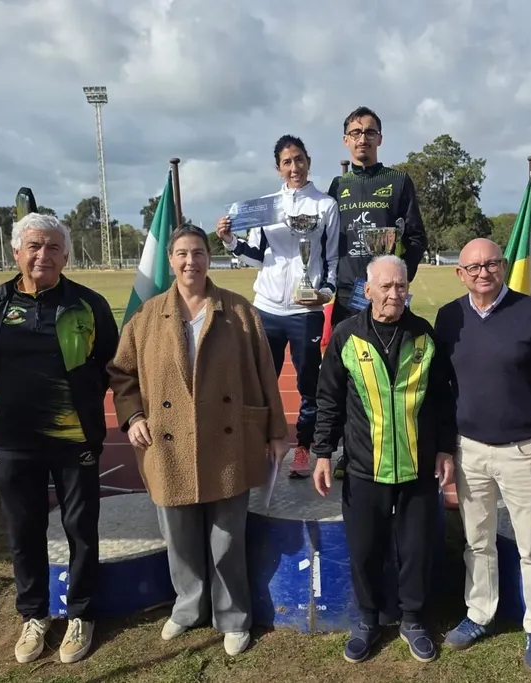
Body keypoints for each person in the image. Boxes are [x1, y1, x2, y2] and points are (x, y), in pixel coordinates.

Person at [107, 223, 288, 656]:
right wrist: (132, 415)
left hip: (228, 440)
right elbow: (121, 373)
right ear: (171, 260)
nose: (191, 261)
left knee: (227, 537)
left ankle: (233, 615)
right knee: (180, 537)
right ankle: (188, 608)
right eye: (183, 254)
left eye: (199, 253)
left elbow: (266, 373)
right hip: (168, 445)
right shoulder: (147, 315)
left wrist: (277, 431)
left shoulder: (240, 311)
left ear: (210, 258)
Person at [0, 212, 118, 665]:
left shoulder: (89, 304)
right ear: (16, 252)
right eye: (34, 246)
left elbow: (107, 365)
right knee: (24, 529)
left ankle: (81, 613)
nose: (43, 255)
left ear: (67, 255)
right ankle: (33, 614)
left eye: (53, 247)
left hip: (76, 438)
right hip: (15, 439)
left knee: (80, 529)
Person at [432, 238, 531, 675]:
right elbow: (440, 392)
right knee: (477, 541)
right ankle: (479, 614)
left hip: (526, 451)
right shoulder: (449, 317)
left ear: (503, 267)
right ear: (459, 274)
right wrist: (444, 446)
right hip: (469, 451)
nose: (483, 272)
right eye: (473, 267)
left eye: (491, 263)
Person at [311, 255, 455, 664]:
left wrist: (445, 447)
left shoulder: (423, 335)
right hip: (363, 466)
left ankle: (412, 618)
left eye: (401, 286)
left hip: (417, 465)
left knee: (415, 548)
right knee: (365, 548)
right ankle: (368, 620)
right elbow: (329, 400)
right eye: (386, 287)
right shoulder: (346, 336)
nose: (395, 293)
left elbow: (443, 398)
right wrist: (322, 452)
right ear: (368, 290)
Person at [215, 135, 339, 480]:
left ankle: (303, 448)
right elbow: (257, 255)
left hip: (305, 310)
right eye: (287, 162)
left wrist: (324, 293)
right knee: (257, 381)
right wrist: (229, 240)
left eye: (299, 159)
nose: (294, 167)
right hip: (267, 308)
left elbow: (331, 258)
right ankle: (261, 446)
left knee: (308, 385)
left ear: (308, 162)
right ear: (278, 168)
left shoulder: (325, 205)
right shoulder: (267, 206)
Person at [326, 105, 429, 480]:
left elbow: (416, 237)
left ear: (380, 139)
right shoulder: (337, 187)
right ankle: (345, 453)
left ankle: (397, 448)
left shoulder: (399, 180)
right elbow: (324, 241)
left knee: (386, 377)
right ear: (345, 140)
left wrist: (398, 281)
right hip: (346, 297)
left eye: (369, 132)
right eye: (355, 132)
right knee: (348, 379)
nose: (362, 138)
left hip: (386, 299)